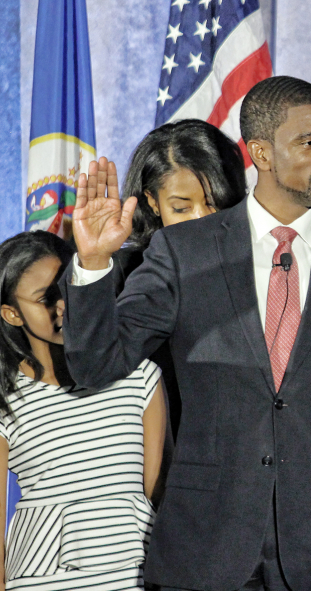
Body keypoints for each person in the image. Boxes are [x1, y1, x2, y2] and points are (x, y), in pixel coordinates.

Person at [58, 76, 311, 591]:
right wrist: (91, 261)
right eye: (309, 142)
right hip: (204, 547)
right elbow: (95, 365)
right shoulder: (185, 251)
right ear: (261, 152)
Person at [0, 231, 166, 590]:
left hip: (134, 576)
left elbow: (160, 499)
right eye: (45, 298)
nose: (62, 306)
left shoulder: (139, 375)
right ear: (12, 314)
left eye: (67, 289)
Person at [118, 118, 248, 436]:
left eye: (213, 204)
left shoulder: (270, 266)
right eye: (181, 208)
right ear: (152, 202)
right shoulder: (119, 274)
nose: (200, 221)